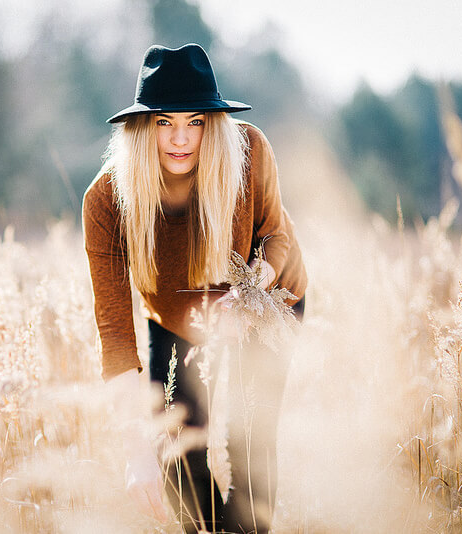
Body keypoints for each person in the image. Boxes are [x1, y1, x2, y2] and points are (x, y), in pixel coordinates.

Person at [83, 43, 307, 533]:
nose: (181, 138)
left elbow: (276, 237)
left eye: (197, 121)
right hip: (175, 317)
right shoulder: (105, 202)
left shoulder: (248, 151)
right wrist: (134, 450)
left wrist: (247, 297)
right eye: (165, 122)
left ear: (214, 121)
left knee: (249, 441)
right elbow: (116, 337)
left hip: (265, 302)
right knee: (176, 452)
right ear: (142, 127)